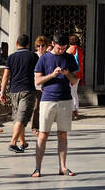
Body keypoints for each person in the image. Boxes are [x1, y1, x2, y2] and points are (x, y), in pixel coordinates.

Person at [32, 37, 79, 179]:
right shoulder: (44, 58)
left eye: (64, 48)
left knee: (62, 134)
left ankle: (63, 167)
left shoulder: (69, 58)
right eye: (59, 48)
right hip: (48, 99)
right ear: (53, 44)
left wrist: (67, 74)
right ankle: (37, 168)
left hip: (65, 99)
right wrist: (52, 74)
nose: (61, 50)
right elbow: (38, 81)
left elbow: (75, 80)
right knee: (43, 134)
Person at [0, 35, 36, 153]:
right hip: (27, 89)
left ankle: (23, 142)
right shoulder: (33, 56)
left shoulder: (11, 57)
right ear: (28, 44)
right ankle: (13, 142)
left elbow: (5, 76)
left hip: (14, 90)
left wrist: (2, 92)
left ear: (16, 43)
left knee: (18, 117)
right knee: (22, 117)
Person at [29, 35, 50, 136]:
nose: (40, 48)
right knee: (36, 107)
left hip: (47, 85)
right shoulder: (34, 56)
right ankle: (35, 127)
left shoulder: (49, 56)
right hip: (36, 85)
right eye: (38, 46)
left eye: (43, 45)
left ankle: (44, 126)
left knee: (46, 107)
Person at [65, 32, 85, 120]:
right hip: (79, 72)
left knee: (71, 92)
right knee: (74, 92)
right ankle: (76, 109)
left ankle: (73, 110)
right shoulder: (79, 49)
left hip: (73, 73)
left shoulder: (71, 49)